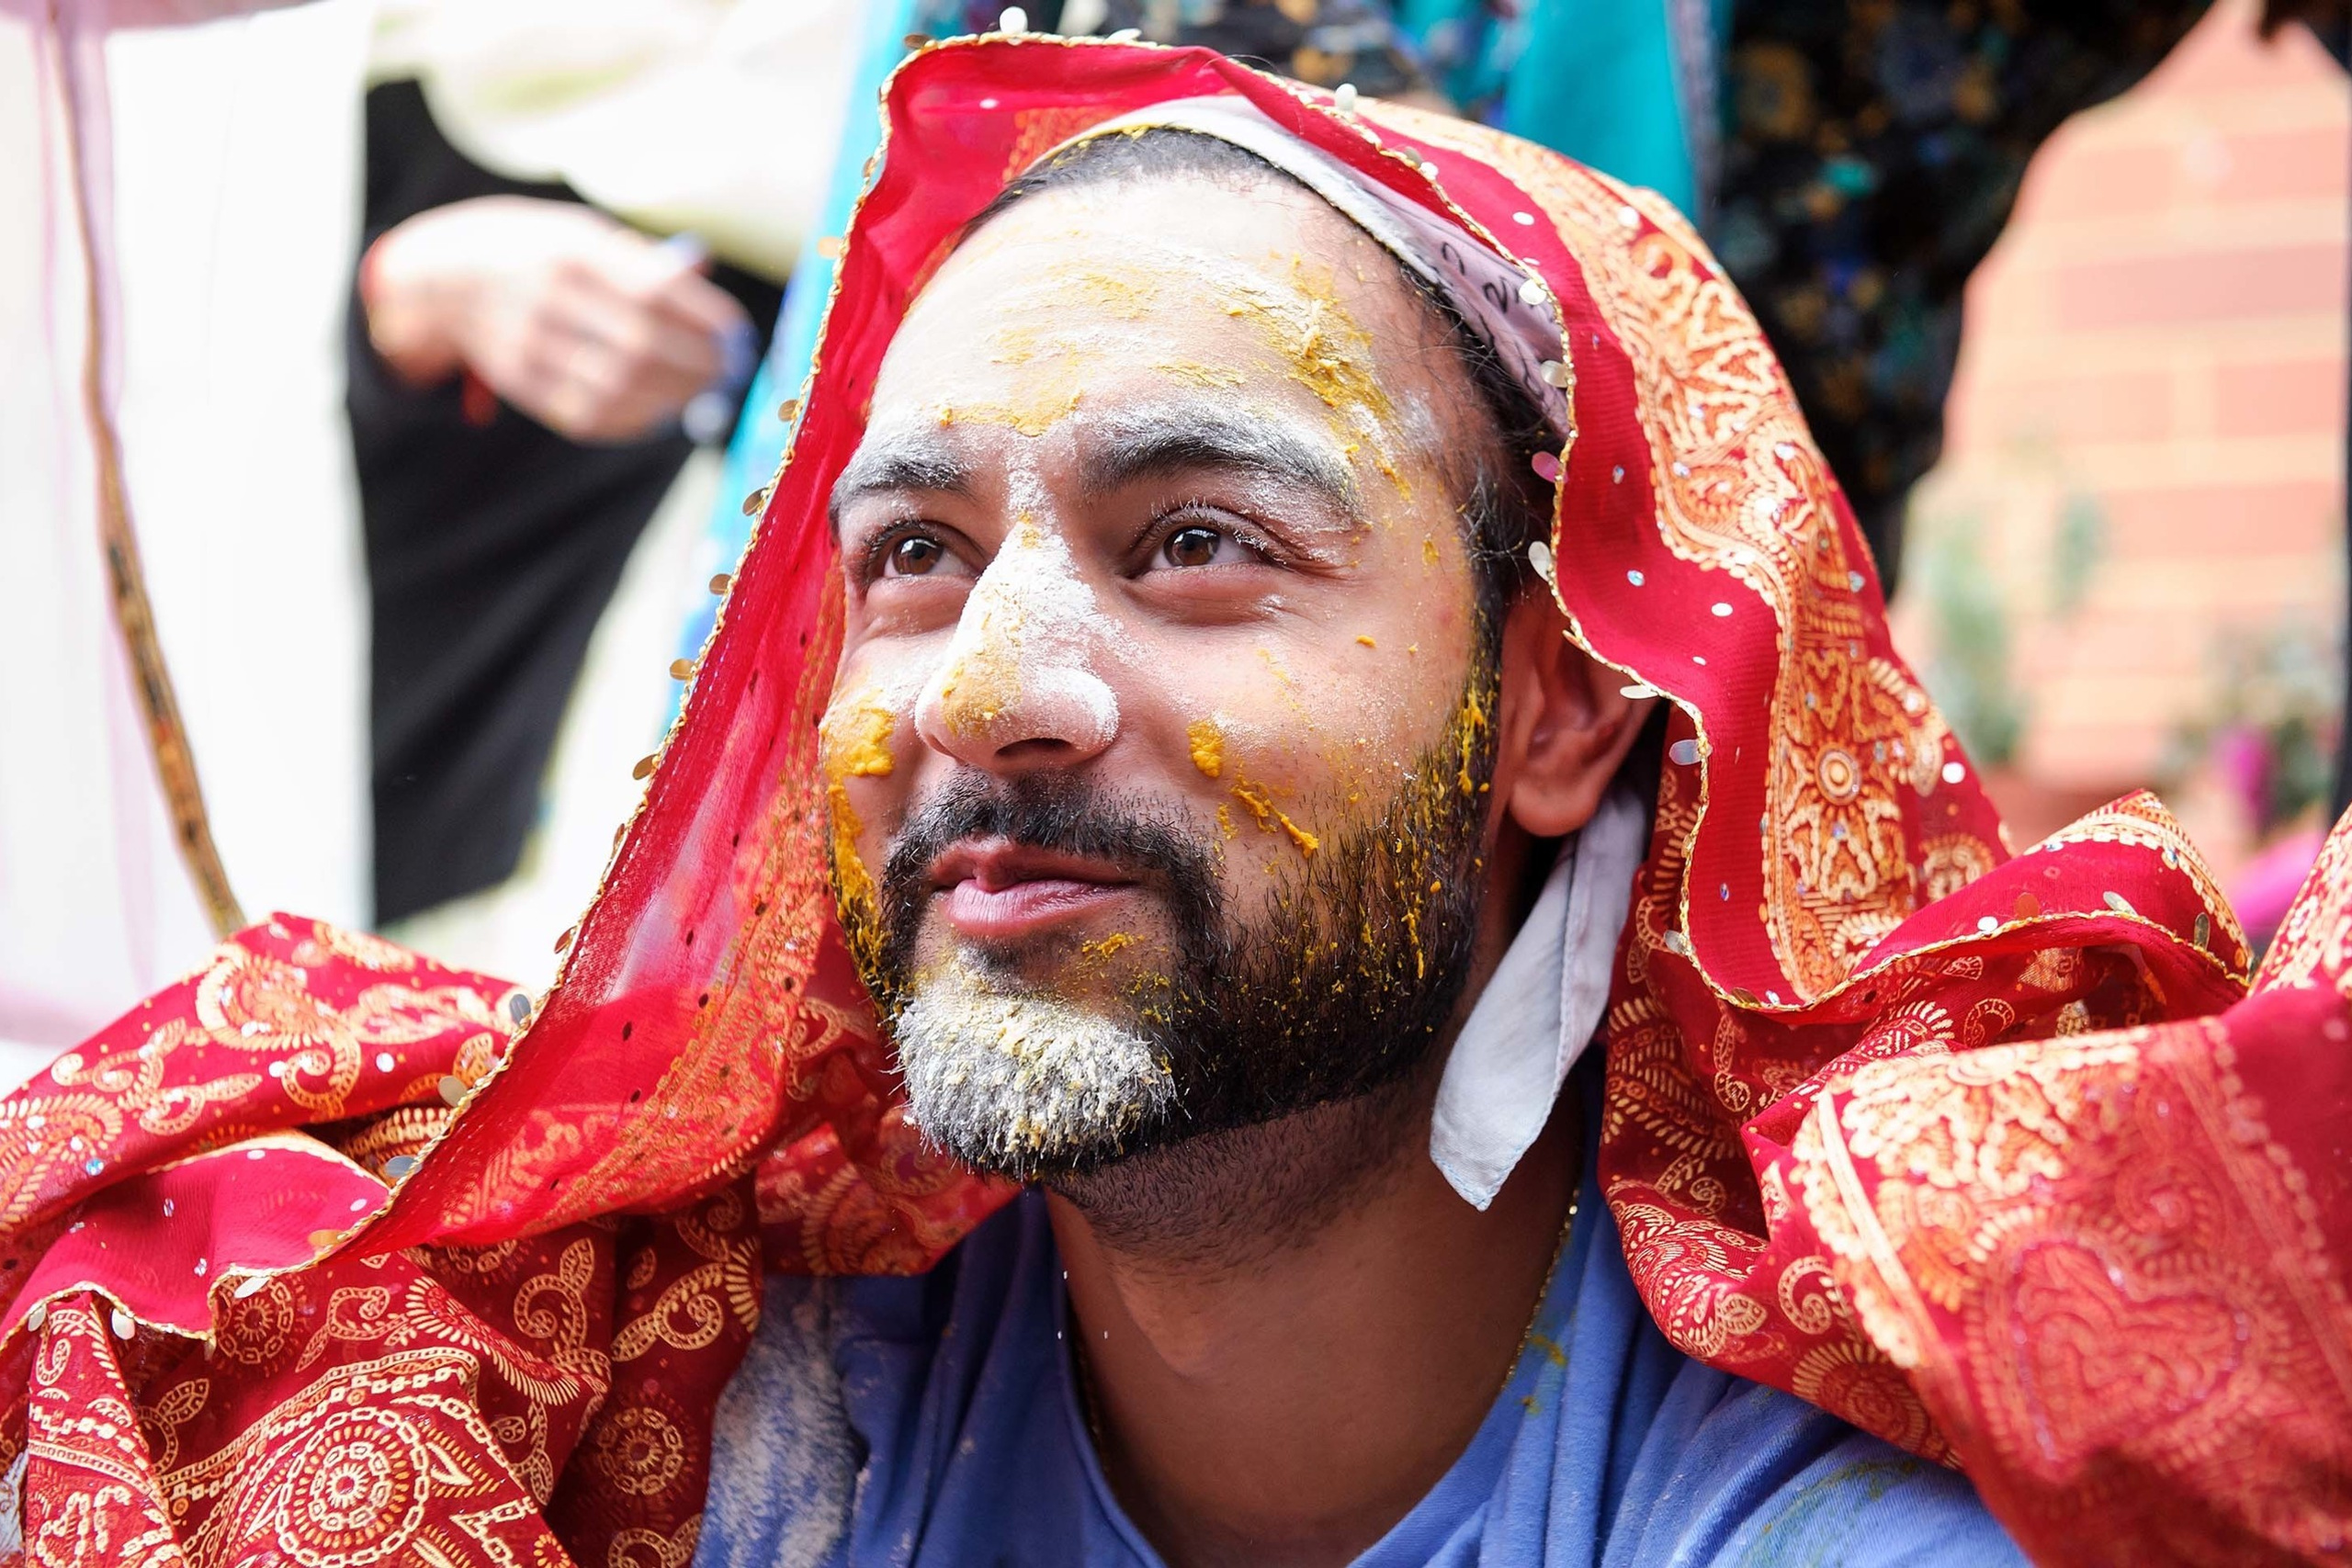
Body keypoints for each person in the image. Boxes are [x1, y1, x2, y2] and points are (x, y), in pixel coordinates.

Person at [0, 37, 2342, 1568]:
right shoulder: (650, 1421)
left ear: (1555, 701)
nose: (988, 692)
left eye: (1196, 541)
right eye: (909, 556)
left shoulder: (1826, 1517)